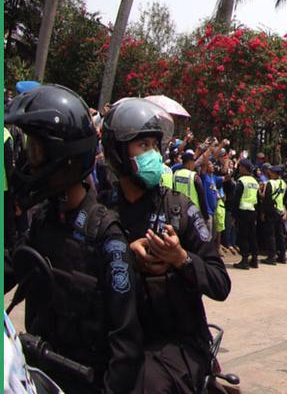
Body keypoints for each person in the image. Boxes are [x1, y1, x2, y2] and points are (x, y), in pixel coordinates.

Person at [4, 85, 144, 393]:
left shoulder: (107, 238)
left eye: (37, 152)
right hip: (36, 376)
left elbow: (126, 344)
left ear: (64, 157)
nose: (29, 162)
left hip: (85, 383)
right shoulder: (43, 220)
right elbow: (11, 265)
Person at [100, 97, 232, 393]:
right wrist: (122, 256)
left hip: (176, 343)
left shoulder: (179, 209)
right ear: (118, 153)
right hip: (118, 337)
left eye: (154, 146)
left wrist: (181, 258)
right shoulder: (103, 214)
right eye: (142, 145)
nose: (152, 155)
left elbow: (220, 284)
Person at [233, 159, 260, 269]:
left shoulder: (241, 181)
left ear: (244, 168)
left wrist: (234, 215)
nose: (239, 168)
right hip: (252, 211)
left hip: (243, 211)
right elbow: (258, 199)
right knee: (252, 236)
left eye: (240, 167)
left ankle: (244, 260)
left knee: (243, 236)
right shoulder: (255, 181)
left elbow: (236, 199)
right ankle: (254, 259)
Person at [264, 166, 287, 264]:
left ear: (274, 173)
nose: (269, 173)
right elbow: (285, 197)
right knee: (280, 235)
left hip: (272, 211)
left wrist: (264, 212)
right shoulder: (283, 183)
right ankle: (282, 256)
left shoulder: (270, 183)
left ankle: (271, 257)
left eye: (271, 172)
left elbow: (267, 199)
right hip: (280, 211)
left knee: (271, 235)